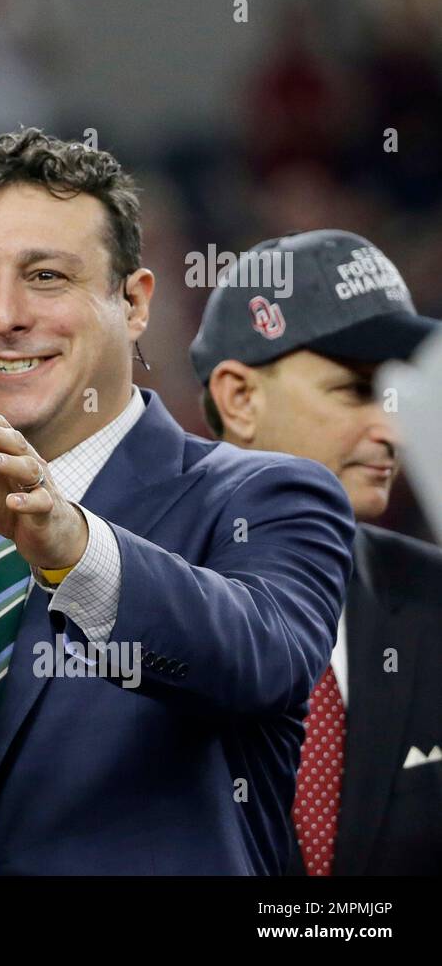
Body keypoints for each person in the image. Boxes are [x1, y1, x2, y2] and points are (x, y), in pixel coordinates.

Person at [0, 128, 356, 875]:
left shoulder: (266, 495)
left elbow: (261, 660)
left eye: (47, 276)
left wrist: (72, 545)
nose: (4, 315)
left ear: (135, 300)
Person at [192, 229, 442, 875]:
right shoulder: (126, 609)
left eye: (393, 391)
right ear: (240, 399)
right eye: (355, 391)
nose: (390, 427)